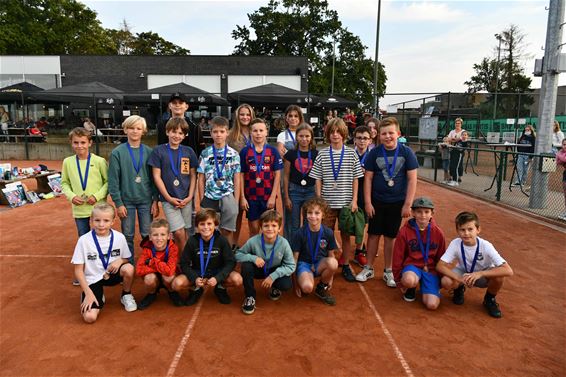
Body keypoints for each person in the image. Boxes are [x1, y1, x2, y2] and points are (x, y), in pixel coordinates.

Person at [357, 117, 418, 287]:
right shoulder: (374, 153)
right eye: (384, 133)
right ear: (379, 136)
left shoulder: (407, 153)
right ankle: (368, 267)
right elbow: (368, 179)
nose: (387, 136)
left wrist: (408, 204)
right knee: (373, 234)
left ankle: (388, 270)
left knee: (391, 237)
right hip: (377, 201)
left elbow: (412, 179)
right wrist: (368, 203)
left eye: (391, 133)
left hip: (397, 202)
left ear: (398, 134)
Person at [309, 118, 364, 282]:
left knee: (346, 236)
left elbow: (356, 178)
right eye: (332, 132)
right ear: (327, 134)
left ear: (344, 134)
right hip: (327, 203)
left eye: (338, 132)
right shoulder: (322, 154)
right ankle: (331, 260)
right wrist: (319, 199)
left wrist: (354, 201)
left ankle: (346, 264)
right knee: (326, 235)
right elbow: (317, 178)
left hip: (346, 204)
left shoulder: (351, 153)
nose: (335, 135)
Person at [436, 211, 514, 318]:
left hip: (482, 276)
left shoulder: (486, 245)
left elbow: (508, 270)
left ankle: (489, 299)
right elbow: (440, 266)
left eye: (470, 229)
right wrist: (459, 279)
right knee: (446, 281)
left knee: (499, 277)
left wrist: (480, 274)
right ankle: (459, 289)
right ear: (457, 231)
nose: (466, 233)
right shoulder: (456, 243)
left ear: (478, 230)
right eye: (462, 230)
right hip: (463, 273)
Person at [71, 203, 137, 323]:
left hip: (112, 273)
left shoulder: (119, 237)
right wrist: (88, 293)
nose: (101, 225)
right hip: (93, 279)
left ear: (113, 221)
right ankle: (95, 294)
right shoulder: (83, 240)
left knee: (129, 268)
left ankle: (126, 294)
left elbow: (127, 258)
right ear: (91, 220)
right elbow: (78, 270)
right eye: (97, 220)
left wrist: (120, 261)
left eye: (106, 220)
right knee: (89, 317)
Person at [61, 127, 108, 286]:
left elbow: (107, 182)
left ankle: (103, 268)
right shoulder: (67, 162)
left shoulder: (99, 161)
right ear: (71, 143)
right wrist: (72, 196)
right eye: (76, 143)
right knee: (84, 240)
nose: (79, 146)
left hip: (98, 209)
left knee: (101, 237)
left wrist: (98, 196)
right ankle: (85, 271)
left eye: (83, 142)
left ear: (90, 143)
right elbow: (64, 183)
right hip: (79, 209)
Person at [108, 115, 159, 261]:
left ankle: (149, 262)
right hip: (126, 201)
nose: (135, 131)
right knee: (128, 234)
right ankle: (129, 263)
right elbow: (113, 180)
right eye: (131, 128)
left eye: (138, 128)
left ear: (143, 131)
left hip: (146, 200)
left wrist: (155, 201)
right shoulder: (117, 153)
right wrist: (118, 203)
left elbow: (154, 179)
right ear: (125, 130)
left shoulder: (150, 152)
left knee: (146, 234)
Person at [175, 208, 243, 306]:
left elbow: (231, 262)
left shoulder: (222, 240)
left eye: (209, 224)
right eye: (202, 224)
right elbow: (184, 263)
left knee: (237, 279)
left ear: (215, 225)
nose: (206, 227)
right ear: (197, 226)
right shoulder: (192, 241)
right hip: (198, 272)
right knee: (177, 284)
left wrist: (218, 278)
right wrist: (195, 278)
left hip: (218, 271)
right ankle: (195, 289)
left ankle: (221, 288)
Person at [149, 117, 198, 252]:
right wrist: (168, 198)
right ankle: (184, 260)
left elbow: (193, 175)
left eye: (180, 133)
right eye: (173, 132)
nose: (177, 135)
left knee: (187, 230)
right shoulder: (158, 151)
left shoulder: (188, 151)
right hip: (168, 199)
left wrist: (190, 197)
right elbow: (156, 177)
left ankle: (184, 257)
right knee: (178, 232)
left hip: (186, 199)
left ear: (185, 135)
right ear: (167, 132)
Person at [235, 210, 295, 315]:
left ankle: (275, 288)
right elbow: (237, 255)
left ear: (279, 228)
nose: (270, 229)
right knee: (246, 266)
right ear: (261, 228)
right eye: (266, 226)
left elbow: (291, 265)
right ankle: (250, 296)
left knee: (286, 284)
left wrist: (274, 275)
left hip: (275, 270)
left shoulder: (284, 243)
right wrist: (253, 258)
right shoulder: (253, 241)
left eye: (274, 225)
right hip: (259, 269)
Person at [392, 197, 447, 309]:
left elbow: (442, 257)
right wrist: (398, 280)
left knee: (432, 305)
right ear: (413, 213)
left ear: (432, 213)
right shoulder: (404, 232)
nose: (423, 215)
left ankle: (426, 285)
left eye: (426, 212)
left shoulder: (438, 233)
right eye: (419, 212)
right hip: (412, 267)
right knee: (408, 280)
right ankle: (411, 288)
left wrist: (440, 279)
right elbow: (398, 256)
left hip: (430, 269)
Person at [196, 116, 241, 247]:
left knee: (227, 230)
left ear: (227, 132)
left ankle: (226, 255)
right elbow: (201, 178)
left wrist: (236, 201)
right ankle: (210, 256)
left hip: (228, 196)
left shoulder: (234, 154)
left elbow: (237, 178)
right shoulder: (205, 153)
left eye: (222, 131)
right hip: (210, 196)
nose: (218, 135)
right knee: (208, 230)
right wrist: (202, 198)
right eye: (215, 132)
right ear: (210, 133)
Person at [239, 118, 283, 236]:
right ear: (250, 132)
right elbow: (241, 175)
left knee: (270, 229)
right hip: (251, 197)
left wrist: (273, 196)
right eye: (255, 131)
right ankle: (255, 253)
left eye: (261, 130)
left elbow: (277, 174)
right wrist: (242, 197)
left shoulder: (273, 151)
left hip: (267, 196)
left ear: (266, 132)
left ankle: (269, 253)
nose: (258, 133)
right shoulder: (244, 152)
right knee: (253, 229)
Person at [291, 198, 339, 305]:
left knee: (333, 263)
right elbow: (295, 259)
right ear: (306, 215)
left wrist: (330, 279)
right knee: (307, 288)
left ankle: (322, 287)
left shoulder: (328, 233)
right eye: (310, 212)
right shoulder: (299, 233)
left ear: (323, 215)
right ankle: (306, 279)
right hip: (304, 265)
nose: (313, 216)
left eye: (317, 213)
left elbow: (331, 255)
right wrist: (295, 284)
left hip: (319, 264)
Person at [136, 218, 184, 309]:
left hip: (166, 276)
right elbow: (139, 270)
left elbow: (170, 271)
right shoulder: (147, 248)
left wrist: (153, 262)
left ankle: (172, 292)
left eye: (162, 234)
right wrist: (159, 267)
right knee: (149, 279)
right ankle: (151, 294)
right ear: (150, 237)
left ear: (169, 236)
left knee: (168, 277)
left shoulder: (173, 248)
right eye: (155, 235)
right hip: (155, 276)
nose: (159, 238)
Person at [283, 123, 318, 239]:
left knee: (310, 221)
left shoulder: (316, 154)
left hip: (310, 191)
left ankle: (307, 247)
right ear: (297, 137)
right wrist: (287, 197)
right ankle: (293, 249)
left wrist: (318, 195)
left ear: (311, 137)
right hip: (294, 191)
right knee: (294, 223)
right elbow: (286, 176)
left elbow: (318, 176)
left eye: (307, 136)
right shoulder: (290, 154)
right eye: (301, 136)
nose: (304, 139)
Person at [227, 103, 255, 247]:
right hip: (235, 179)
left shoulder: (256, 132)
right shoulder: (230, 135)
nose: (245, 117)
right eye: (242, 114)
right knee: (236, 214)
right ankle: (233, 244)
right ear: (237, 116)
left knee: (253, 216)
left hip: (254, 179)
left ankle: (252, 245)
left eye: (248, 114)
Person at [157, 92, 205, 157]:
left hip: (188, 164)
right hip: (168, 162)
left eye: (180, 103)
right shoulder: (162, 125)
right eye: (174, 103)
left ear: (186, 106)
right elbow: (160, 146)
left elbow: (200, 149)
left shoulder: (194, 127)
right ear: (169, 106)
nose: (177, 105)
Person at [352, 125, 372, 267]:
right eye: (359, 138)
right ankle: (346, 253)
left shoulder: (372, 155)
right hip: (350, 193)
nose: (362, 141)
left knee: (363, 223)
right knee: (347, 222)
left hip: (365, 193)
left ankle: (359, 250)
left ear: (370, 140)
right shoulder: (348, 154)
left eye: (365, 138)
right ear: (354, 140)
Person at [556, 138, 566, 221]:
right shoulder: (562, 153)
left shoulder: (561, 153)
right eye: (564, 144)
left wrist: (559, 155)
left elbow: (563, 160)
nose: (565, 146)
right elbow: (558, 162)